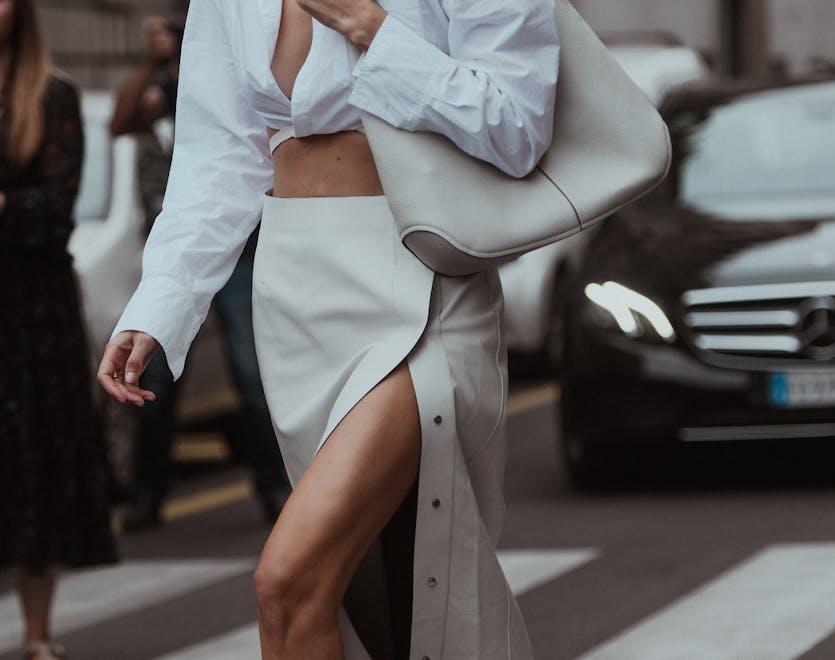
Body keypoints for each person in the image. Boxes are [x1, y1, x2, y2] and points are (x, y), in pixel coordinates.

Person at [98, 0, 559, 657]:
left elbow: (518, 128)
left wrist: (372, 30)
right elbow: (218, 159)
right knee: (386, 601)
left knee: (290, 582)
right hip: (296, 294)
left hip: (424, 288)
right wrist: (162, 303)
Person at [109, 15, 291, 529]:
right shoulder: (163, 86)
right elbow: (120, 122)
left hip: (243, 249)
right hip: (174, 253)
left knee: (252, 373)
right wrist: (152, 62)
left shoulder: (236, 74)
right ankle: (149, 494)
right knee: (153, 376)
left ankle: (276, 489)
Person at [0, 0, 119, 658]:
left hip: (29, 312)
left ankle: (38, 634)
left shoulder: (51, 94)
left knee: (30, 464)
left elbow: (54, 211)